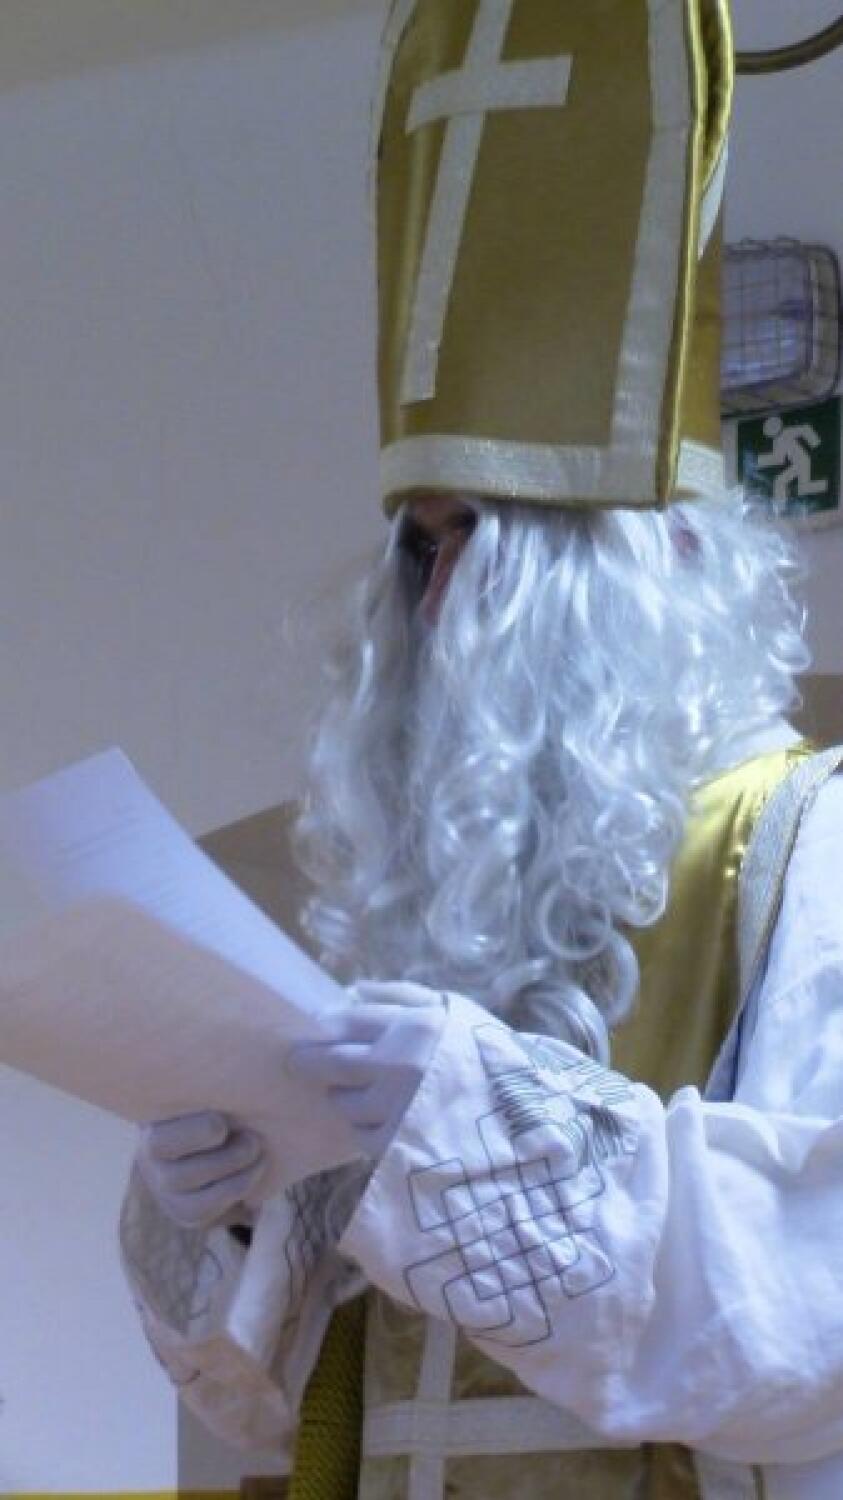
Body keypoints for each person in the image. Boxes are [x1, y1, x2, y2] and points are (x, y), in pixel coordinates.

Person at [121, 2, 843, 1496]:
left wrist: (468, 1128)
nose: (433, 607)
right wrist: (234, 1219)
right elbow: (297, 1399)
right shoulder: (437, 898)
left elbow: (808, 1316)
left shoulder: (804, 850)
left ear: (645, 570)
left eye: (478, 547)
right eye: (418, 550)